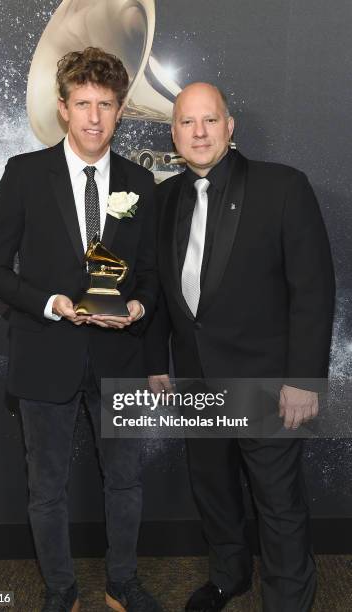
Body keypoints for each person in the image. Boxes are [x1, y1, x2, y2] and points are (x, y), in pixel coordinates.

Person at [0, 47, 161, 612]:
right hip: (44, 355)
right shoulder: (24, 173)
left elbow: (151, 275)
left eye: (105, 105)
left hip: (119, 360)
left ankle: (122, 582)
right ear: (62, 108)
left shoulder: (141, 181)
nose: (94, 118)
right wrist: (50, 302)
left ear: (120, 111)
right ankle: (60, 590)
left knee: (126, 483)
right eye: (83, 104)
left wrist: (139, 308)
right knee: (46, 491)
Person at [146, 82, 335, 611]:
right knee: (214, 491)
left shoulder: (283, 188)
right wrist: (156, 362)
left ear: (231, 128)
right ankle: (229, 577)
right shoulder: (163, 199)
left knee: (277, 503)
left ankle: (288, 600)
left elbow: (313, 291)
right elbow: (159, 291)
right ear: (174, 133)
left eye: (210, 120)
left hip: (269, 382)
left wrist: (303, 379)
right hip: (195, 379)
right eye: (187, 122)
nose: (199, 131)